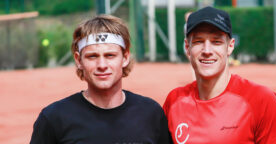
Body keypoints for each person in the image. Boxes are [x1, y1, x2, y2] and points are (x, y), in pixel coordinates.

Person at [30, 15, 172, 144]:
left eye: (110, 55)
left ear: (125, 58)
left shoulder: (150, 113)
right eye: (92, 56)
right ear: (79, 60)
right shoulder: (54, 118)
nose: (102, 65)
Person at [163, 7, 276, 144]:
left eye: (216, 42)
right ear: (187, 48)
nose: (207, 50)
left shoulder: (261, 100)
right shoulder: (174, 102)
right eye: (198, 41)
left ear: (230, 46)